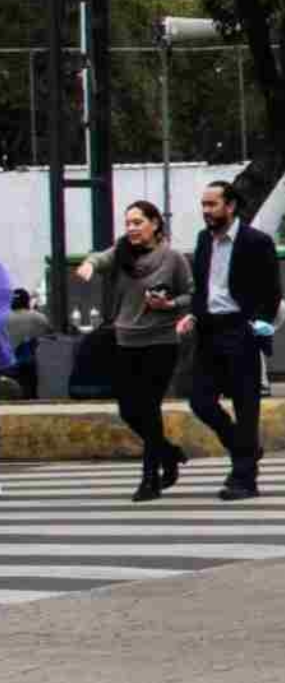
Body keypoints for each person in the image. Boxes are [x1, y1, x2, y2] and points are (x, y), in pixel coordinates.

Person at [77, 201, 195, 501]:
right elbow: (100, 258)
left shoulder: (173, 258)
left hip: (161, 342)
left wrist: (169, 305)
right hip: (126, 341)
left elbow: (191, 294)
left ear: (155, 224)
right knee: (129, 410)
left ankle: (149, 480)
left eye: (138, 222)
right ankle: (169, 454)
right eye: (128, 222)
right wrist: (89, 265)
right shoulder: (121, 253)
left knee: (149, 407)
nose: (131, 228)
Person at [176, 180, 282, 501]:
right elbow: (203, 287)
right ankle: (244, 448)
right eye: (204, 205)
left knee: (245, 406)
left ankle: (244, 478)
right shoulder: (203, 241)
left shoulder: (256, 241)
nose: (206, 211)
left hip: (241, 330)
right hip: (209, 332)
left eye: (213, 205)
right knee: (201, 401)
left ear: (231, 206)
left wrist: (258, 326)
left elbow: (272, 291)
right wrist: (193, 315)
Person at [4, 287, 47, 396]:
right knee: (30, 395)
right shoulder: (39, 318)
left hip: (7, 366)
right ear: (27, 301)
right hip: (29, 365)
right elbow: (50, 339)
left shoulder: (3, 318)